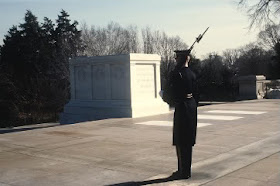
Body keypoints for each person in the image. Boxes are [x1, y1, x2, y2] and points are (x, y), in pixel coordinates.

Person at [169, 50, 198, 180]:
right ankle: (185, 170)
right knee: (188, 140)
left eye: (177, 58)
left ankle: (183, 171)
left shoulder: (177, 74)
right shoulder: (192, 74)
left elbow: (169, 92)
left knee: (181, 140)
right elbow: (197, 92)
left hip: (181, 107)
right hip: (191, 106)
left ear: (181, 59)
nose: (175, 60)